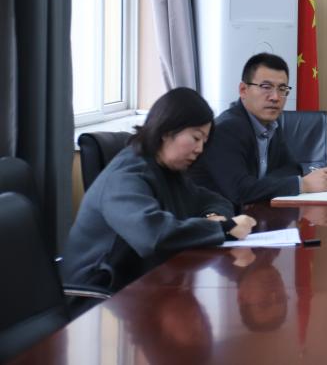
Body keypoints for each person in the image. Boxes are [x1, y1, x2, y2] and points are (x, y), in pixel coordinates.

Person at [62, 87, 256, 292]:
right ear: (167, 132)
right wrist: (222, 228)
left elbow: (212, 199)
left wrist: (213, 216)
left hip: (144, 282)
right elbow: (151, 235)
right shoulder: (125, 176)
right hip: (99, 294)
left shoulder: (168, 170)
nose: (199, 149)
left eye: (204, 142)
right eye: (196, 138)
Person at [190, 53, 327, 206]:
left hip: (254, 212)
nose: (275, 97)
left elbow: (292, 168)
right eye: (266, 87)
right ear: (243, 90)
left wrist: (259, 185)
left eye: (282, 89)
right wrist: (302, 185)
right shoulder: (226, 130)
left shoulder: (271, 124)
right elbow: (240, 191)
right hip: (215, 217)